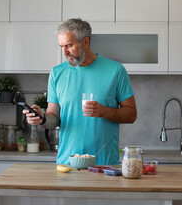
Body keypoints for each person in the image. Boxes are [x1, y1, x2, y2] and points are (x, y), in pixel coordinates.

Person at [24, 18, 137, 165]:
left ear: (85, 42)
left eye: (69, 45)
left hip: (105, 164)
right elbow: (54, 117)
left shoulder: (116, 70)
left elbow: (132, 114)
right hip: (68, 164)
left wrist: (104, 111)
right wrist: (42, 118)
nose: (64, 52)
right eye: (62, 46)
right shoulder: (57, 73)